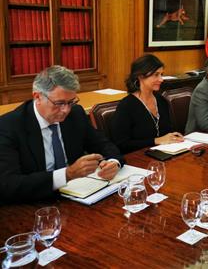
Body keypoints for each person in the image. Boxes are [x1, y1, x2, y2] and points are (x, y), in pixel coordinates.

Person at [0, 66, 124, 203]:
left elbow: (104, 144)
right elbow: (8, 184)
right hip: (33, 202)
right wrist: (67, 174)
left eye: (71, 102)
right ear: (38, 97)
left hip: (78, 196)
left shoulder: (75, 114)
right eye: (59, 103)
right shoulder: (9, 126)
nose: (66, 110)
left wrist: (113, 163)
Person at [111, 54, 184, 154]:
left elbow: (166, 132)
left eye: (161, 74)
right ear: (140, 76)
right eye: (156, 75)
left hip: (164, 155)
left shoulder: (161, 101)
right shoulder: (126, 106)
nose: (161, 79)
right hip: (138, 160)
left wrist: (173, 137)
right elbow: (121, 144)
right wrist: (156, 141)